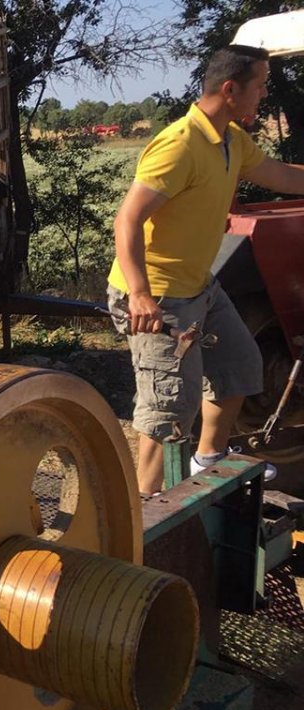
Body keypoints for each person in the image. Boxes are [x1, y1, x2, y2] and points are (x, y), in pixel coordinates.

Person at [108, 44, 304, 495]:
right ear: (231, 89)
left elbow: (282, 175)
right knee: (167, 406)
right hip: (157, 294)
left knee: (241, 365)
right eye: (261, 85)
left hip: (199, 286)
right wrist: (139, 294)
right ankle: (147, 504)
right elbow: (128, 219)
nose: (265, 95)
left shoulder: (233, 141)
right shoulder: (179, 146)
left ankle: (208, 458)